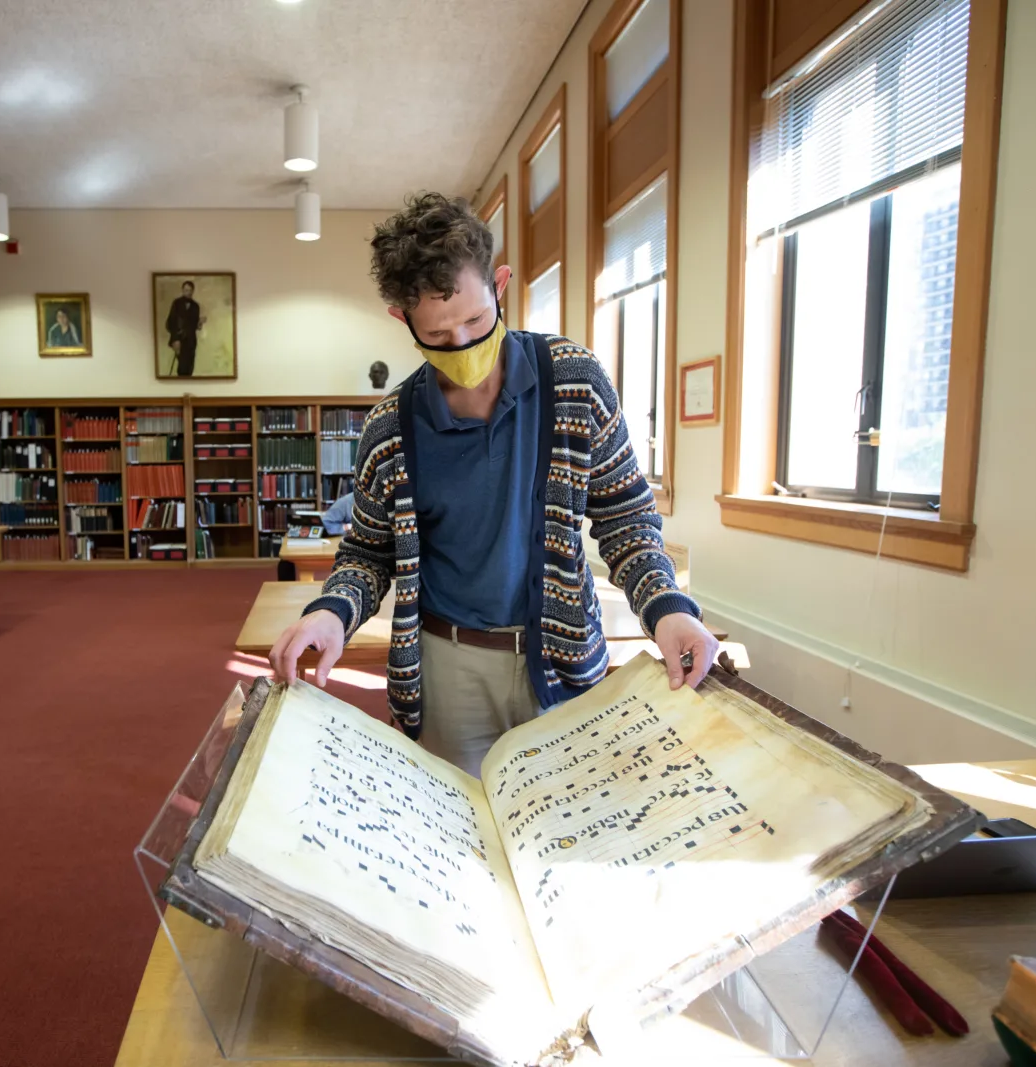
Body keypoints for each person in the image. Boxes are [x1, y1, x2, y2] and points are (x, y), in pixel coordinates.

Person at [269, 193, 718, 775]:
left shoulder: (575, 383)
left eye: (476, 321)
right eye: (437, 333)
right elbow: (367, 552)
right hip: (447, 664)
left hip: (561, 656)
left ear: (500, 284)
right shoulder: (390, 428)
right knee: (458, 838)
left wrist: (665, 608)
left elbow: (626, 518)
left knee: (561, 822)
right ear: (401, 319)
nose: (462, 346)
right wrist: (331, 612)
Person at [164, 280, 205, 376]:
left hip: (191, 342)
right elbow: (170, 323)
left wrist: (199, 323)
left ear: (193, 291)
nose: (188, 292)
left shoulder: (195, 306)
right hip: (179, 340)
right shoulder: (176, 303)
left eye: (190, 290)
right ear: (182, 290)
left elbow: (194, 326)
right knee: (182, 367)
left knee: (190, 367)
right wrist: (175, 339)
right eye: (186, 290)